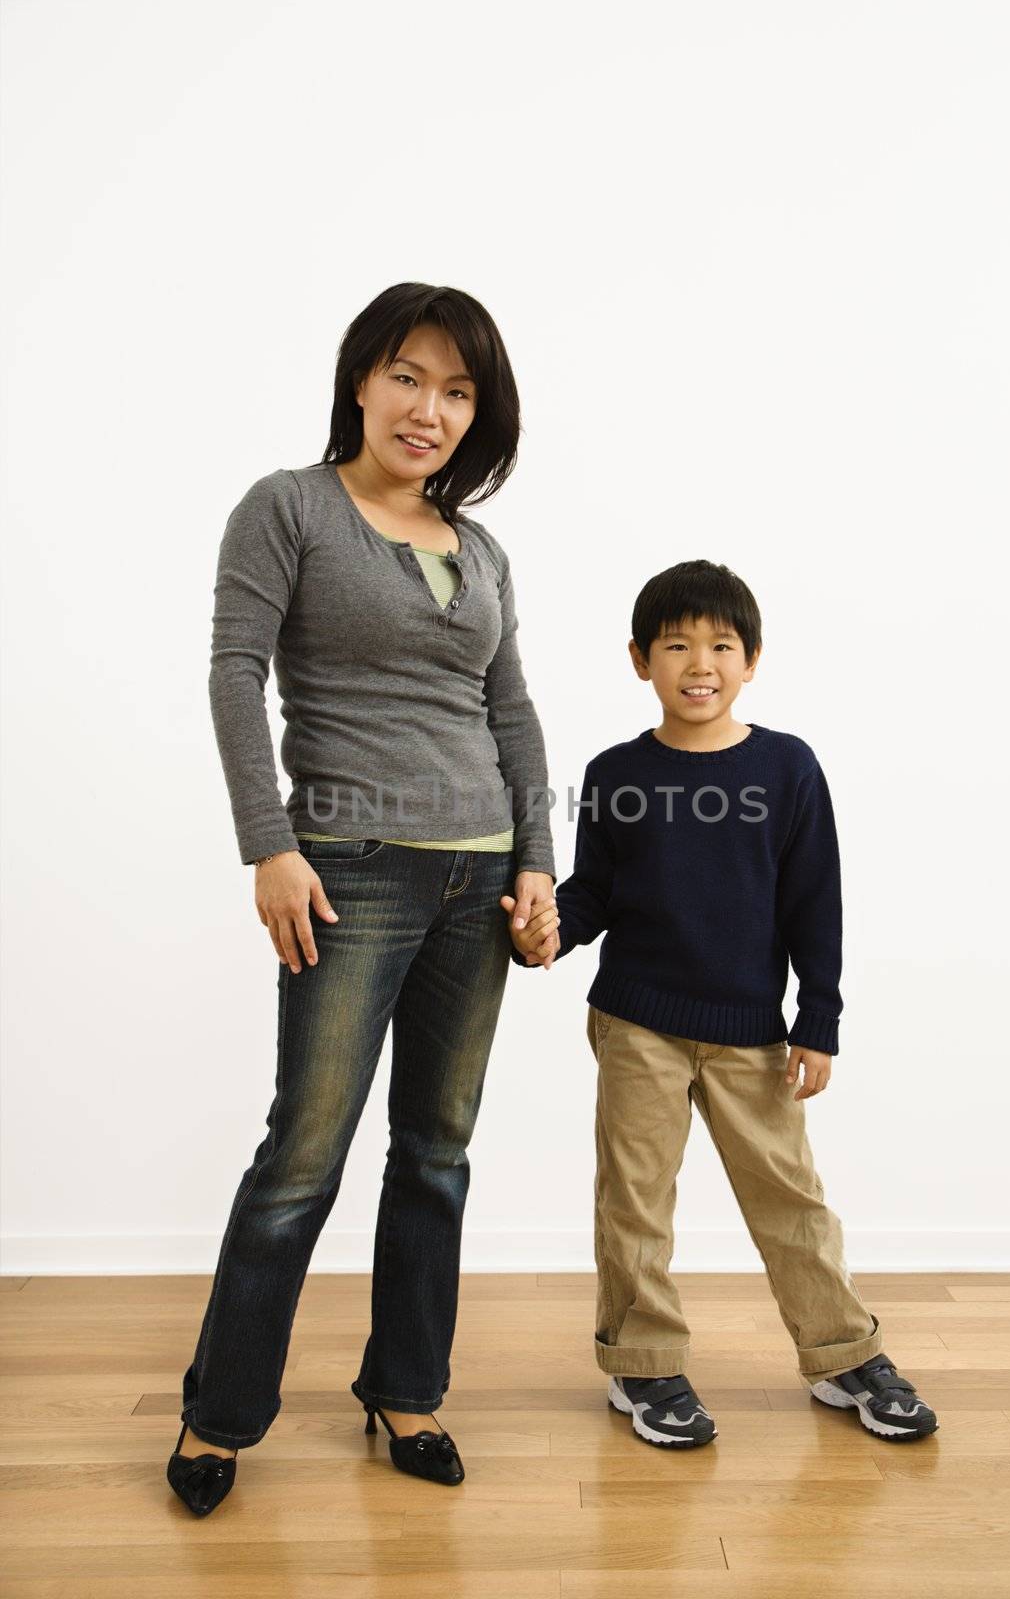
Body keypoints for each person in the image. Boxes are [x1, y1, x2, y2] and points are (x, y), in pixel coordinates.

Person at [168, 283, 557, 1516]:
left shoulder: (479, 547)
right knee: (303, 1154)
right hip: (349, 874)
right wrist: (268, 845)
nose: (427, 409)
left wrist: (536, 858)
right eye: (406, 377)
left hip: (480, 874)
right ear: (358, 381)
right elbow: (236, 676)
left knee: (436, 1151)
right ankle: (220, 1414)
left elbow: (511, 712)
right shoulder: (286, 509)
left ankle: (405, 1390)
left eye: (455, 390)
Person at [503, 560, 939, 1449]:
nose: (697, 663)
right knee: (634, 1201)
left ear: (750, 661)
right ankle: (643, 1366)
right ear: (639, 661)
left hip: (749, 1031)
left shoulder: (786, 767)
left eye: (718, 646)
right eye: (675, 646)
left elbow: (815, 899)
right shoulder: (616, 771)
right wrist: (547, 930)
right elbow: (596, 893)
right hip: (636, 1024)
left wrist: (819, 1019)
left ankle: (842, 1354)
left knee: (791, 1200)